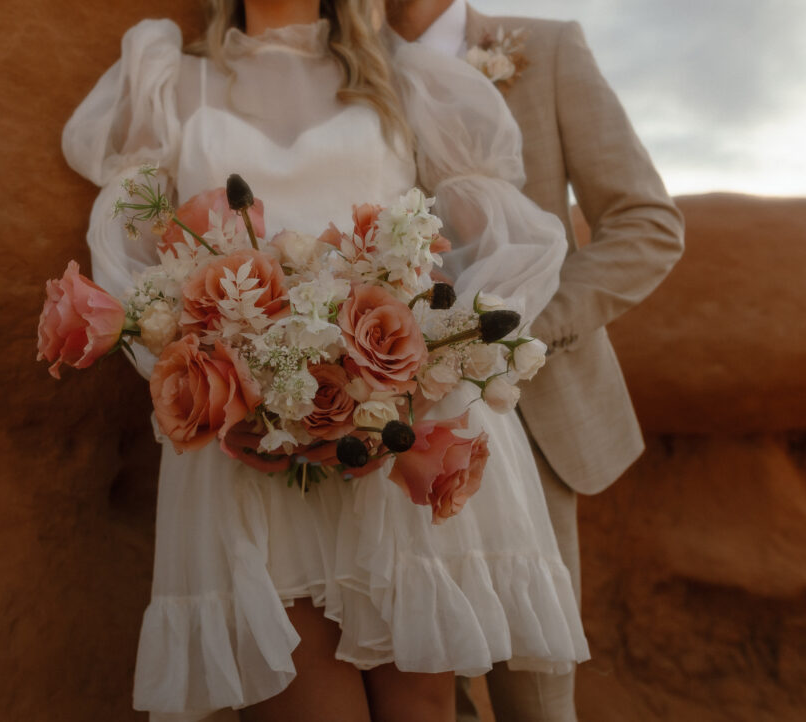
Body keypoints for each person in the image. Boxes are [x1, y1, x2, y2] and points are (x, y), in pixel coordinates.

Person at [61, 1, 590, 720]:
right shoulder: (167, 79)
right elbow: (133, 269)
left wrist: (416, 373)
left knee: (421, 703)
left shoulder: (407, 79)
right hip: (248, 442)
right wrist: (233, 389)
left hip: (400, 424)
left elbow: (497, 243)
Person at [386, 1, 686, 720]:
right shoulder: (337, 69)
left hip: (527, 415)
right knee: (422, 692)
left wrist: (517, 332)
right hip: (389, 437)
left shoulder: (547, 51)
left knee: (537, 698)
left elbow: (647, 224)